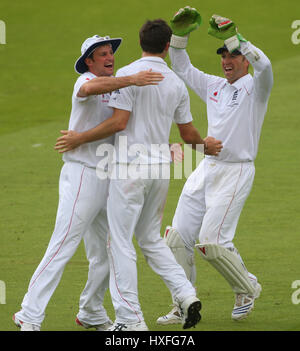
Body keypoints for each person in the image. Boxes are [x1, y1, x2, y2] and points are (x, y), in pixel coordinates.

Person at [54, 19, 223, 331]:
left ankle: (130, 320)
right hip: (161, 170)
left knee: (118, 242)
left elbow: (118, 123)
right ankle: (186, 294)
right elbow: (187, 135)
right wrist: (206, 146)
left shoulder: (126, 75)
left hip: (129, 168)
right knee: (150, 239)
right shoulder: (175, 83)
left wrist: (79, 137)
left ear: (141, 41)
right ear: (167, 46)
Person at [13, 34, 164, 331]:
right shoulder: (84, 81)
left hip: (109, 177)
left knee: (109, 250)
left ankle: (92, 311)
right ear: (89, 62)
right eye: (102, 54)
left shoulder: (117, 82)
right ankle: (29, 314)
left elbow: (121, 122)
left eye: (111, 53)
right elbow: (92, 88)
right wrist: (132, 79)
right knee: (63, 245)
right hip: (82, 174)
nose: (109, 58)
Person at [156, 7, 273, 325]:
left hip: (236, 170)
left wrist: (239, 39)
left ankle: (246, 288)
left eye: (233, 55)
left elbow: (266, 67)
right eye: (223, 55)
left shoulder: (256, 88)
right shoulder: (214, 86)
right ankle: (183, 303)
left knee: (212, 242)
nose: (227, 60)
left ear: (244, 60)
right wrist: (179, 35)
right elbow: (181, 66)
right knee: (177, 238)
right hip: (207, 168)